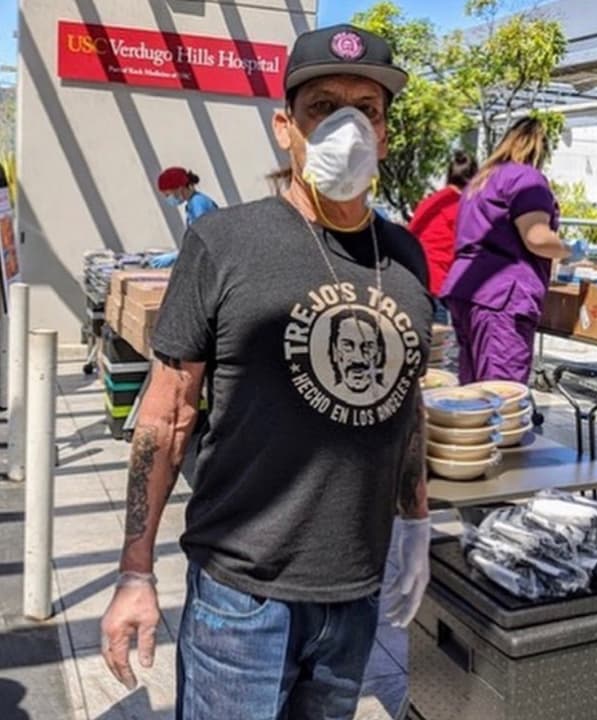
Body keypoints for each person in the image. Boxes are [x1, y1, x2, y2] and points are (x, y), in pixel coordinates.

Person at [98, 25, 435, 719]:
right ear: (286, 127)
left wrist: (415, 521)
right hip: (243, 594)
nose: (347, 125)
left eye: (366, 109)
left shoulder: (403, 255)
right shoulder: (224, 241)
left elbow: (407, 400)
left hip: (354, 590)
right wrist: (136, 570)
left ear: (387, 132)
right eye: (323, 107)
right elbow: (166, 413)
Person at [440, 117, 584, 385]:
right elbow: (536, 237)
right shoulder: (526, 178)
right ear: (538, 149)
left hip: (466, 292)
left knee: (474, 386)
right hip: (502, 298)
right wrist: (569, 250)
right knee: (502, 391)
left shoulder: (480, 182)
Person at [407, 149, 478, 298]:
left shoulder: (431, 202)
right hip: (440, 282)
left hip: (415, 276)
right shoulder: (462, 206)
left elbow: (410, 232)